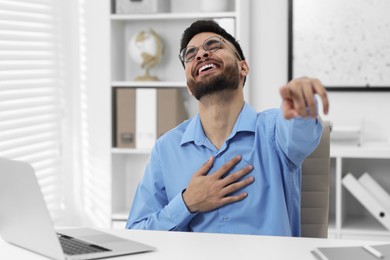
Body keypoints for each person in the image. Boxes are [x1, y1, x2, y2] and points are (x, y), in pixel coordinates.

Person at [126, 20, 329, 236]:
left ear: (243, 67)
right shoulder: (165, 149)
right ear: (188, 84)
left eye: (214, 45)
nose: (201, 54)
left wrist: (301, 103)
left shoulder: (275, 130)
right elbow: (136, 232)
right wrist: (187, 203)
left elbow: (301, 133)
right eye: (190, 53)